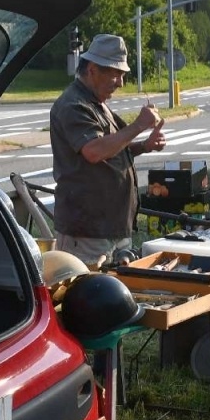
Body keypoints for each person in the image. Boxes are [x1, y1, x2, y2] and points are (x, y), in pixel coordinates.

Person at [49, 34, 166, 267]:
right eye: (116, 74)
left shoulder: (95, 102)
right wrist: (139, 125)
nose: (121, 83)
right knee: (86, 297)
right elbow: (94, 151)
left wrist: (143, 146)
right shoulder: (74, 104)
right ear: (92, 70)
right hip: (87, 231)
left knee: (111, 297)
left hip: (108, 227)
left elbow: (111, 149)